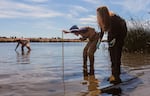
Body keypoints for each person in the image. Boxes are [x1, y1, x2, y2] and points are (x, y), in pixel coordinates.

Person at [96, 6, 127, 84]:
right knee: (111, 55)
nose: (97, 16)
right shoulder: (103, 20)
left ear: (103, 14)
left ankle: (117, 76)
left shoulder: (114, 19)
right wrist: (99, 40)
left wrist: (115, 39)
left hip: (120, 34)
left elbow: (121, 28)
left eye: (98, 14)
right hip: (112, 34)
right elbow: (102, 31)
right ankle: (113, 74)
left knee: (116, 55)